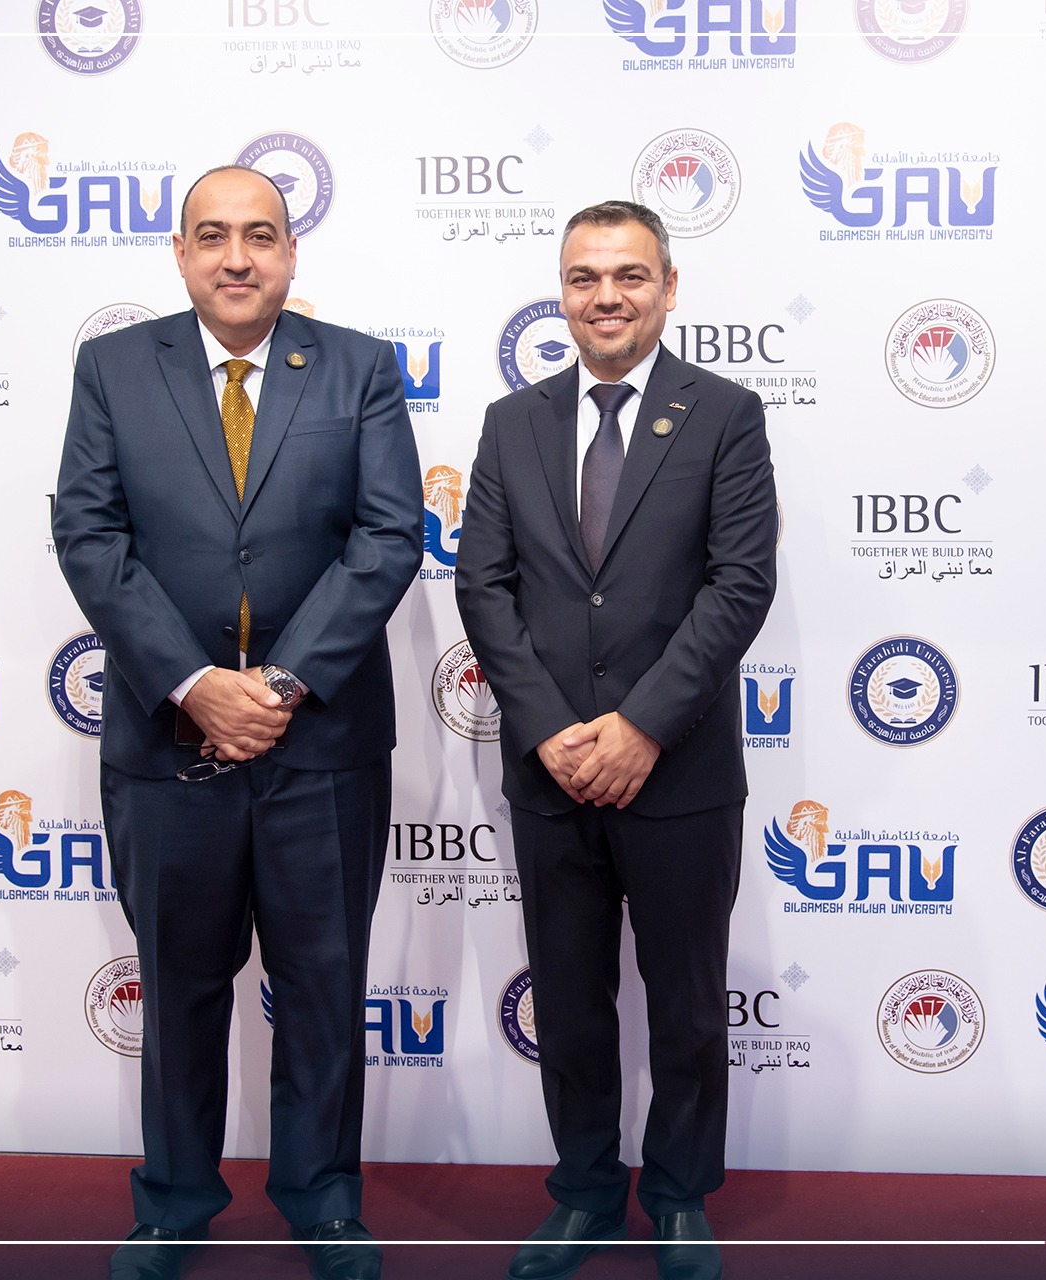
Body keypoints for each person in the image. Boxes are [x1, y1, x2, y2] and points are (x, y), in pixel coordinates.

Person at [53, 165, 422, 1280]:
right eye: (211, 235)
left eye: (260, 234)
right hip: (169, 747)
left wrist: (283, 683)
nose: (236, 256)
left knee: (324, 984)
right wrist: (193, 682)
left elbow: (387, 537)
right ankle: (173, 1203)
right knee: (180, 987)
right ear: (179, 253)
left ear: (292, 252)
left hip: (324, 748)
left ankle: (324, 1200)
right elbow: (90, 534)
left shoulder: (359, 366)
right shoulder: (115, 367)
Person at [455, 201, 777, 1280]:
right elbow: (483, 586)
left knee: (686, 1003)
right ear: (562, 292)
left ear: (669, 288)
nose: (607, 296)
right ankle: (586, 1191)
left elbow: (740, 584)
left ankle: (679, 1195)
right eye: (585, 276)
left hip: (678, 771)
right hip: (552, 775)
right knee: (570, 997)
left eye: (630, 275)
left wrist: (641, 726)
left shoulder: (725, 414)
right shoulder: (512, 421)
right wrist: (551, 730)